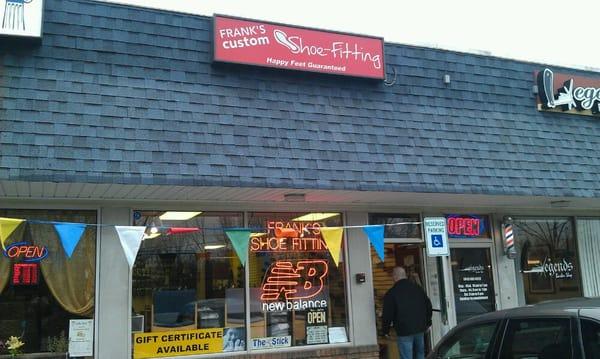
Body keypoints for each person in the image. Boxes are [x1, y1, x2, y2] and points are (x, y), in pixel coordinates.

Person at [381, 266, 432, 359]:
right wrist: (428, 323)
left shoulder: (391, 293)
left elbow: (387, 314)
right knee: (420, 354)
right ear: (404, 275)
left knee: (406, 356)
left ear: (395, 277)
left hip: (404, 330)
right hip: (419, 328)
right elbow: (428, 305)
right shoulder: (418, 288)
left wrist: (385, 331)